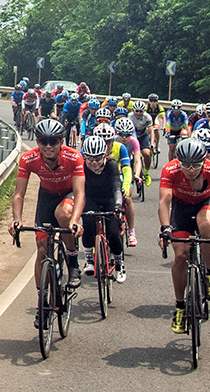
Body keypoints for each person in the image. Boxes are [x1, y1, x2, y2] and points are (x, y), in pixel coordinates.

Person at [158, 136, 210, 334]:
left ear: (204, 160)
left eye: (195, 165)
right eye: (185, 165)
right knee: (180, 256)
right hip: (180, 208)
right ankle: (180, 307)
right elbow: (164, 202)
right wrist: (165, 228)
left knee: (205, 224)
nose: (190, 169)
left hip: (204, 204)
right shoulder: (170, 169)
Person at [8, 118, 85, 292]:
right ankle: (41, 301)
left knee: (64, 214)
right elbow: (19, 194)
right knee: (42, 249)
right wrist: (17, 219)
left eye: (53, 141)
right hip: (47, 197)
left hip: (68, 194)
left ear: (61, 142)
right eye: (44, 141)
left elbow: (80, 193)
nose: (48, 146)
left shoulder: (74, 157)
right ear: (37, 142)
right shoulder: (29, 159)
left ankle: (73, 262)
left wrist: (75, 220)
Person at [78, 134, 126, 282]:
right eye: (90, 158)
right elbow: (77, 188)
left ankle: (119, 264)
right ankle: (89, 260)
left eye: (97, 158)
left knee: (113, 231)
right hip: (90, 198)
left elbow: (117, 186)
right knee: (88, 223)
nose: (93, 162)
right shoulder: (81, 166)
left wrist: (118, 204)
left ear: (105, 155)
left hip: (109, 199)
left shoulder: (111, 165)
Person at [97, 121, 139, 245]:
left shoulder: (120, 147)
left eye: (108, 141)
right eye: (102, 141)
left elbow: (127, 169)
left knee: (128, 198)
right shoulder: (91, 146)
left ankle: (131, 231)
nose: (105, 145)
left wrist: (126, 187)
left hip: (119, 177)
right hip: (100, 180)